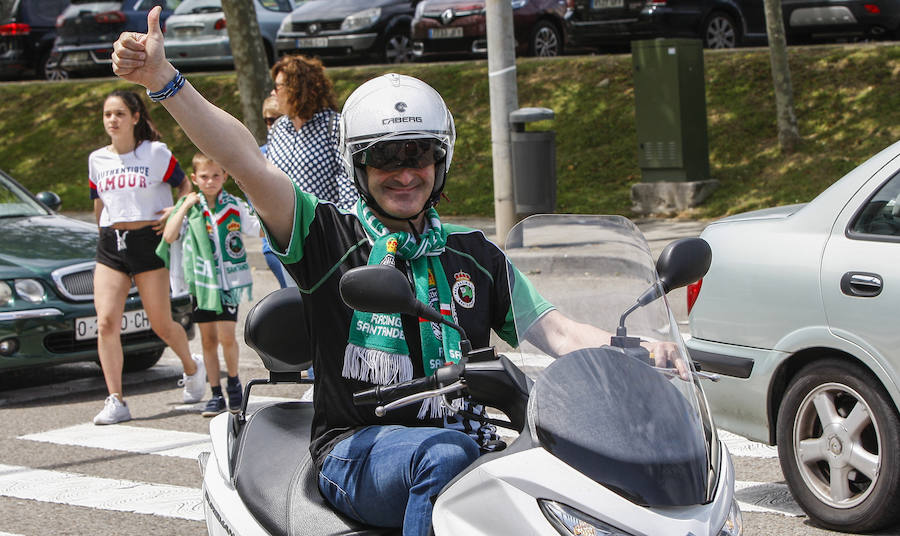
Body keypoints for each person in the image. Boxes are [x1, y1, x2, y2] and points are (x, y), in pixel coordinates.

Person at [111, 10, 683, 533]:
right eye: (385, 157)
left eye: (418, 155)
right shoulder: (327, 237)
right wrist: (165, 81)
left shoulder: (474, 255)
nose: (404, 172)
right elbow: (244, 161)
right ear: (358, 165)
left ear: (441, 160)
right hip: (355, 451)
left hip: (467, 443)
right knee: (442, 458)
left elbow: (557, 331)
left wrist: (640, 352)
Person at [89, 88, 207, 425]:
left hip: (149, 242)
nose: (112, 120)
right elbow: (98, 203)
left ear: (135, 117)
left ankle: (192, 366)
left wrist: (175, 210)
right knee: (107, 322)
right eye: (108, 114)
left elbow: (186, 187)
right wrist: (101, 233)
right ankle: (116, 400)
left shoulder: (155, 153)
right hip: (112, 243)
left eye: (119, 114)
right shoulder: (97, 159)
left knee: (160, 322)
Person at [158, 152, 261, 416]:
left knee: (227, 336)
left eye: (216, 175)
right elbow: (169, 237)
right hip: (201, 284)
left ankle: (234, 383)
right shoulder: (192, 209)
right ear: (194, 179)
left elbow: (256, 227)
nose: (211, 181)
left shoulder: (233, 205)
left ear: (225, 176)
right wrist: (182, 205)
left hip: (229, 281)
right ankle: (215, 392)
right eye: (204, 176)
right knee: (208, 340)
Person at [267, 54, 358, 210]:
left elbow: (347, 184)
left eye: (277, 87)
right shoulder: (277, 128)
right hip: (282, 228)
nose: (273, 93)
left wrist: (348, 226)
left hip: (322, 227)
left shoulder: (334, 126)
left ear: (296, 89)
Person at [258, 95, 290, 289]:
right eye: (268, 120)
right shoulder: (259, 154)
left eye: (277, 119)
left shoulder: (301, 150)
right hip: (272, 245)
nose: (272, 125)